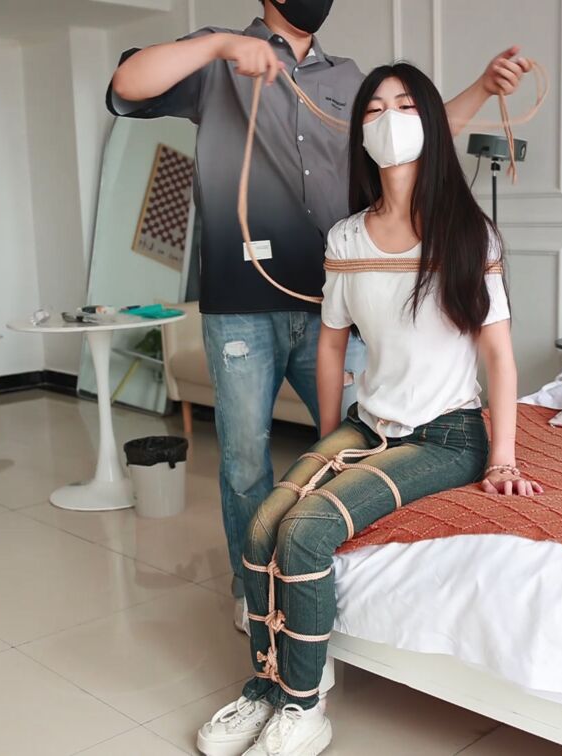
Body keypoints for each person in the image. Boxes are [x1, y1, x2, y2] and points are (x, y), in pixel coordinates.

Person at [107, 0, 533, 635]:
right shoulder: (219, 57)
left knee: (361, 453)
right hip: (242, 304)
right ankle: (254, 592)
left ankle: (344, 585)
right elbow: (126, 85)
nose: (386, 116)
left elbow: (415, 134)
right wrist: (220, 45)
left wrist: (482, 86)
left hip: (334, 303)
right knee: (245, 463)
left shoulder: (349, 80)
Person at [194, 62, 543, 756]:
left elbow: (500, 359)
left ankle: (304, 703)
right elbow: (331, 348)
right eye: (375, 109)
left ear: (431, 124)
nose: (389, 121)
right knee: (263, 524)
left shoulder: (469, 235)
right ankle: (266, 686)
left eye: (406, 106)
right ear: (359, 134)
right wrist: (328, 443)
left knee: (306, 531)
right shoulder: (346, 238)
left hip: (446, 436)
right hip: (366, 425)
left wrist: (502, 458)